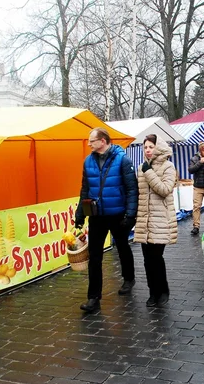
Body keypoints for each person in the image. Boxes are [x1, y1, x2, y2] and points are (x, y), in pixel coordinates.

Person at [75, 127, 139, 313]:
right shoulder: (88, 162)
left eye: (92, 141)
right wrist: (80, 214)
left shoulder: (123, 161)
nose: (89, 144)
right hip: (96, 216)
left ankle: (129, 278)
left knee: (122, 247)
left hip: (118, 214)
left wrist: (130, 214)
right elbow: (84, 190)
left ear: (103, 141)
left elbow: (132, 190)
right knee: (94, 257)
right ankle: (93, 298)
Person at [134, 134, 177, 308]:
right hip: (145, 220)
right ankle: (152, 292)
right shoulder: (141, 168)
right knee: (147, 259)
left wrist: (149, 172)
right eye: (145, 147)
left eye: (151, 146)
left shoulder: (168, 166)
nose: (148, 150)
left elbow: (165, 190)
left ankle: (162, 290)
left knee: (156, 258)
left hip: (161, 220)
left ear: (158, 147)